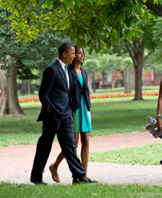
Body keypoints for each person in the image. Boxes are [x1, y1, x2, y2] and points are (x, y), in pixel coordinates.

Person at [30, 42, 94, 184]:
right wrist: (52, 110)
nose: (74, 56)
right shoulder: (51, 69)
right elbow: (43, 94)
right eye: (72, 53)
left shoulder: (67, 69)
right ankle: (36, 176)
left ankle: (78, 176)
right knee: (45, 146)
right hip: (53, 116)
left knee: (70, 146)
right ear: (64, 54)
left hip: (67, 115)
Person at [49, 46, 94, 183]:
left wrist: (89, 109)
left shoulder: (84, 72)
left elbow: (85, 92)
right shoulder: (67, 71)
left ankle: (84, 175)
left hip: (84, 108)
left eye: (82, 53)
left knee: (86, 141)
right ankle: (54, 166)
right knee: (73, 144)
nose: (81, 56)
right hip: (72, 109)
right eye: (78, 53)